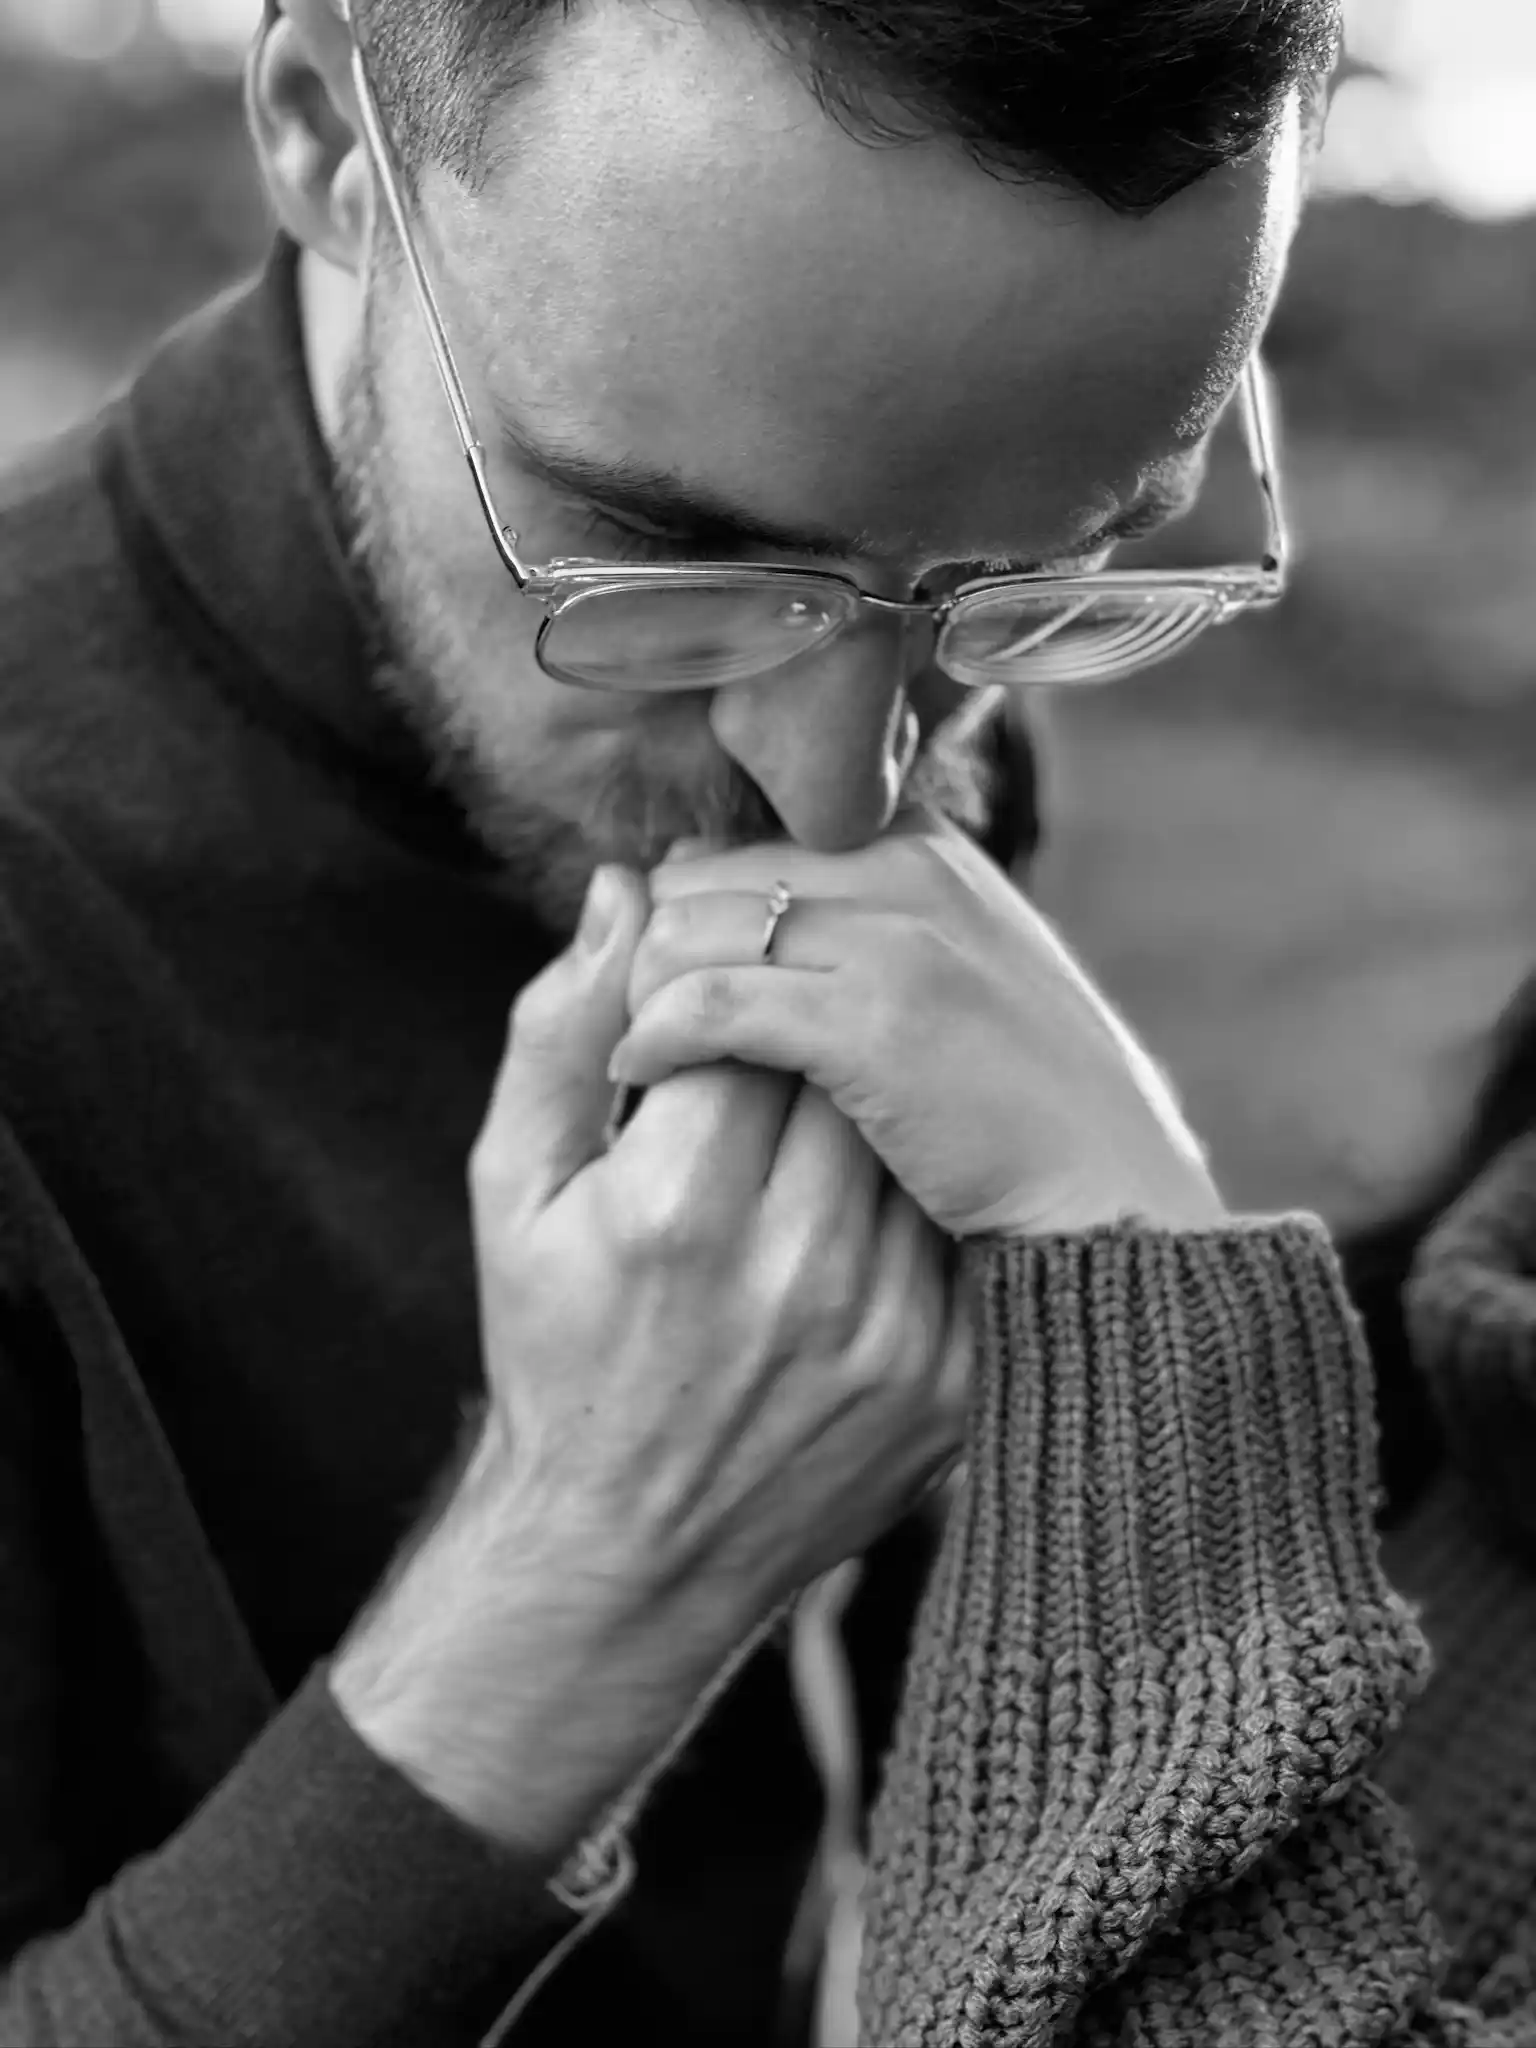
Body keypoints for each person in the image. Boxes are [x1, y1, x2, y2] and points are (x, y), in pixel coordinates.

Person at [2, 0, 1485, 2042]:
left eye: (1038, 573)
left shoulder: (895, 692)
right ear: (333, 134)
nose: (845, 789)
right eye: (668, 554)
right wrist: (579, 1596)